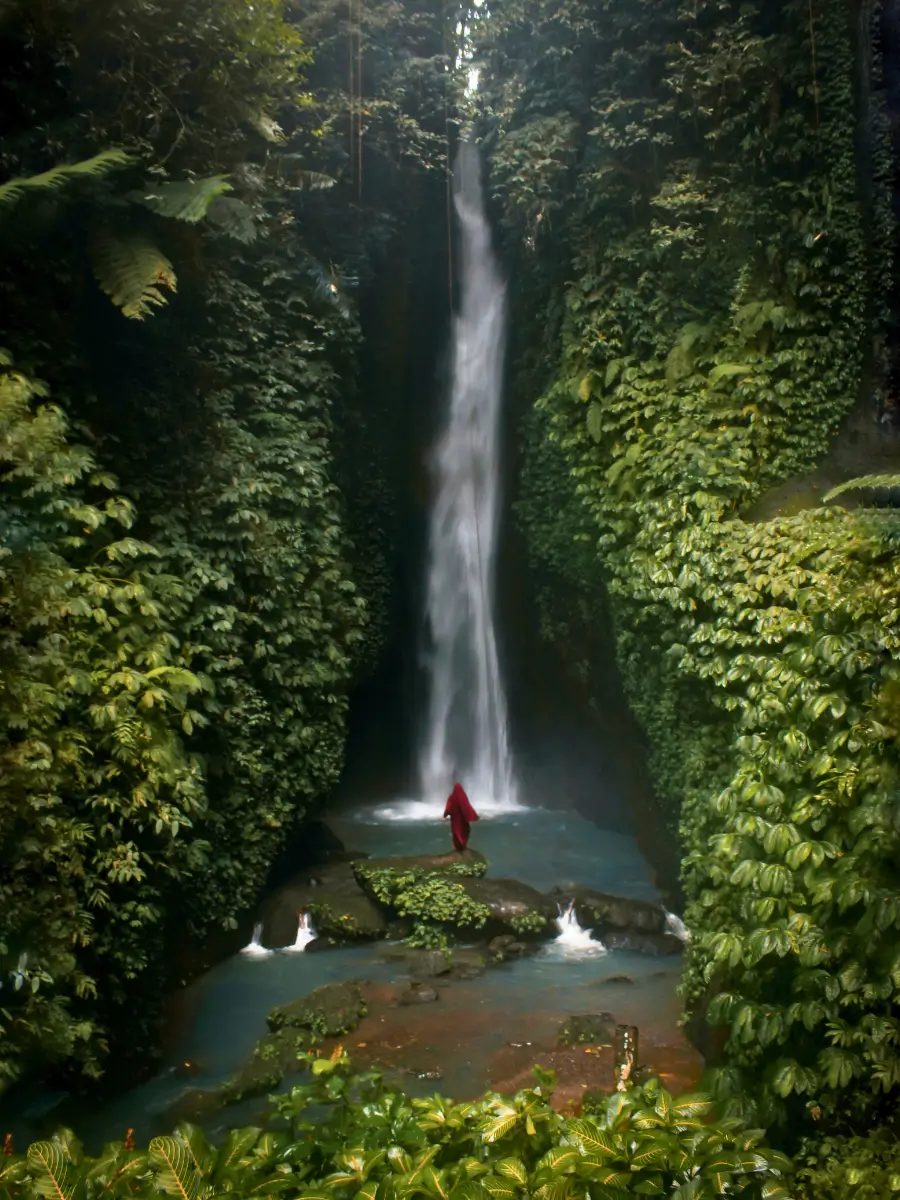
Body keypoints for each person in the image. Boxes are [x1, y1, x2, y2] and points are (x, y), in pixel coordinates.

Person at [443, 782, 479, 852]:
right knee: (464, 831)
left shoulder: (452, 797)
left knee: (456, 831)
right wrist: (474, 815)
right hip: (462, 818)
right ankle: (463, 845)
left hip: (455, 819)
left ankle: (458, 847)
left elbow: (449, 807)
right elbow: (467, 806)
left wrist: (445, 815)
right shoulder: (463, 796)